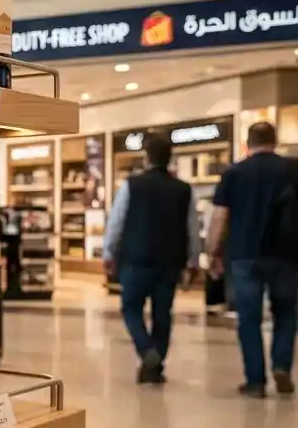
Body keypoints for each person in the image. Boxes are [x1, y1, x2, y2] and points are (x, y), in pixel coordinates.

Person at [208, 122, 298, 398]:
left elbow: (220, 216)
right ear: (275, 141)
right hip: (287, 254)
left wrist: (212, 252)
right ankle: (281, 365)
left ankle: (255, 380)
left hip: (245, 254)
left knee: (248, 317)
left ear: (248, 143)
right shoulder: (293, 169)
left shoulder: (234, 173)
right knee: (286, 312)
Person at [103, 135, 201, 384]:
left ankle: (147, 351)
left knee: (131, 307)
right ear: (170, 159)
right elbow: (192, 228)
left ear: (146, 158)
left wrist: (108, 253)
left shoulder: (131, 185)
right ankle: (155, 367)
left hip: (136, 259)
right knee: (162, 313)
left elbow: (116, 221)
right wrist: (193, 260)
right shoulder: (184, 189)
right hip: (170, 262)